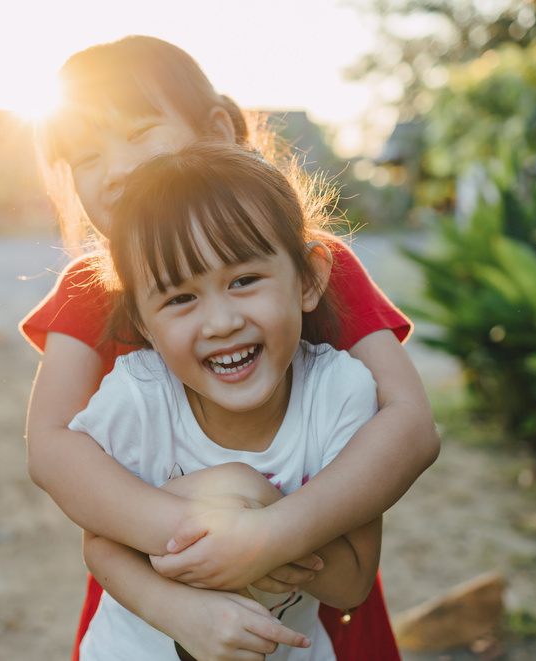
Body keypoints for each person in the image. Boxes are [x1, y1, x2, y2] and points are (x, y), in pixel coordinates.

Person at [19, 35, 440, 660]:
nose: (116, 167)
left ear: (217, 129)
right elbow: (52, 447)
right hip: (162, 588)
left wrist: (269, 534)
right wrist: (200, 541)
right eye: (86, 154)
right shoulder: (94, 289)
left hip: (314, 584)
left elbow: (410, 424)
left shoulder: (305, 261)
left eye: (139, 132)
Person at [71, 142, 383, 660]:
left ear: (308, 278)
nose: (221, 322)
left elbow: (352, 583)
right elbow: (101, 542)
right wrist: (179, 612)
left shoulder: (340, 394)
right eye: (180, 298)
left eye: (244, 280)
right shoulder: (138, 397)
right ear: (143, 322)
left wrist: (259, 511)